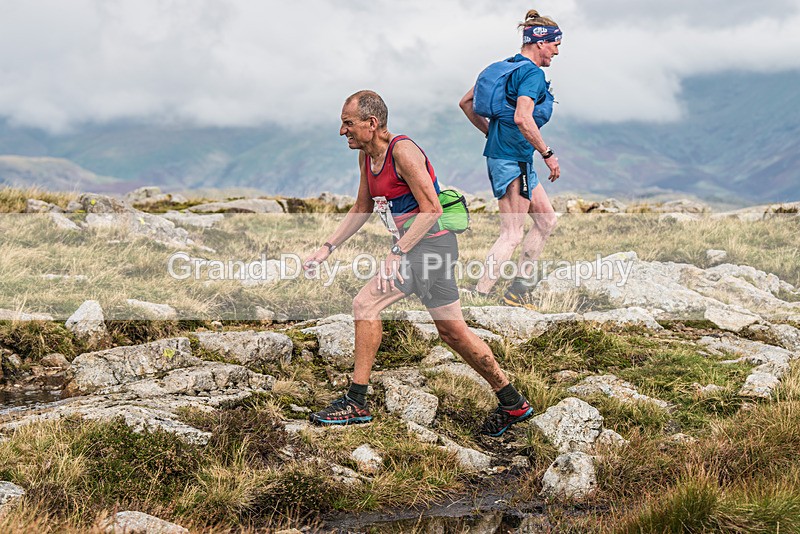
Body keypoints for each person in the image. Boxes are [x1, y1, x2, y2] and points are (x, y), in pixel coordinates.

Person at [303, 90, 533, 436]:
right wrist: (327, 248)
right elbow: (362, 207)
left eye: (347, 123)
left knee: (366, 303)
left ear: (372, 123)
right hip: (422, 249)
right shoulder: (367, 156)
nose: (342, 131)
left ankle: (356, 401)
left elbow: (432, 210)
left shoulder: (403, 152)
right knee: (453, 332)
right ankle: (513, 402)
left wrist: (396, 255)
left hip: (431, 249)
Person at [459, 9, 562, 307]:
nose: (556, 51)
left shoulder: (502, 68)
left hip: (514, 158)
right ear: (540, 42)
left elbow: (466, 103)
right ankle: (479, 295)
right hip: (513, 160)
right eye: (555, 44)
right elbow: (523, 118)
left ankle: (519, 290)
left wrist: (490, 133)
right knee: (512, 233)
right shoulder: (532, 74)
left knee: (546, 219)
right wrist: (548, 154)